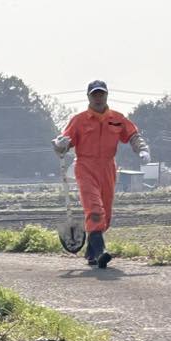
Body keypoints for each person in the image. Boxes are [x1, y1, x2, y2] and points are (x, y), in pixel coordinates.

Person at [53, 80, 150, 268]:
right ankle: (100, 252)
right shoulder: (79, 120)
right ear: (88, 97)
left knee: (105, 213)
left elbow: (133, 135)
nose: (98, 98)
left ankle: (91, 253)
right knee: (95, 209)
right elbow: (64, 143)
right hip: (85, 167)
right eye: (94, 95)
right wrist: (59, 144)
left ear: (106, 95)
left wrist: (142, 149)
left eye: (101, 94)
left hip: (108, 167)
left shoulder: (117, 118)